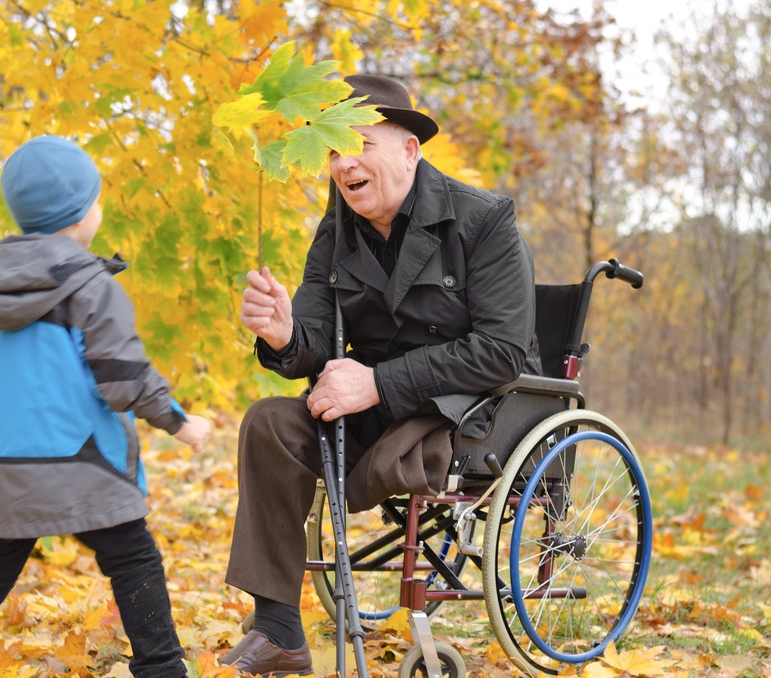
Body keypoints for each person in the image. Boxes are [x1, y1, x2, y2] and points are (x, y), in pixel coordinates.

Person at [220, 74, 542, 676]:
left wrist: (375, 382)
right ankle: (279, 631)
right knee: (268, 423)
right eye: (334, 149)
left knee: (394, 445)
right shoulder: (336, 229)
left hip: (466, 413)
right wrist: (284, 336)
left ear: (408, 149)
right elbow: (314, 338)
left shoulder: (483, 221)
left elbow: (501, 350)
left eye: (360, 143)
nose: (345, 163)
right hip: (371, 411)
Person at [0, 135, 211, 678]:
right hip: (83, 462)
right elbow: (123, 376)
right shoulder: (92, 286)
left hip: (4, 467)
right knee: (133, 557)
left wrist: (0, 438)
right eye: (95, 198)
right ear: (80, 213)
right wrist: (179, 421)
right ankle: (163, 668)